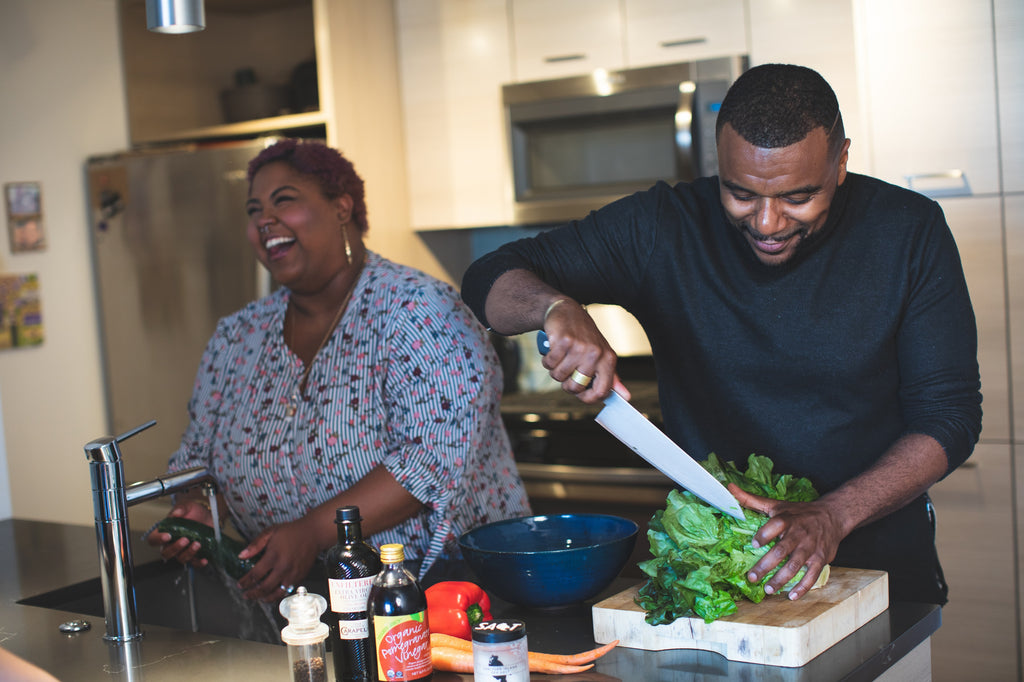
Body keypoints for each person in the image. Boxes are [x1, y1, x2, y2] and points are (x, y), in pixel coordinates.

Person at [461, 64, 982, 605]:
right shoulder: (663, 226)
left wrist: (833, 514)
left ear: (841, 161)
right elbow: (488, 277)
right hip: (720, 575)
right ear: (720, 160)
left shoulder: (908, 231)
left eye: (797, 198)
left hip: (881, 570)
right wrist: (555, 305)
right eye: (742, 195)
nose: (767, 223)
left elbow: (950, 415)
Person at [149, 139, 530, 605]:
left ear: (341, 207)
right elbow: (200, 457)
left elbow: (432, 458)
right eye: (254, 209)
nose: (264, 219)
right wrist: (199, 508)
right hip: (298, 596)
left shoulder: (419, 309)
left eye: (283, 200)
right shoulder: (237, 337)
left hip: (440, 588)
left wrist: (311, 532)